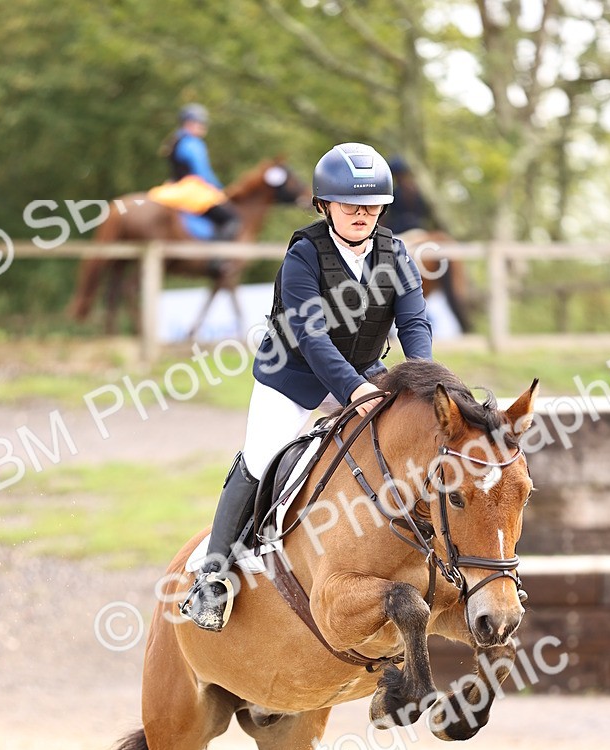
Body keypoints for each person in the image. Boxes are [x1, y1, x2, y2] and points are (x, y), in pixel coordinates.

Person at [180, 141, 433, 633]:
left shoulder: (396, 253)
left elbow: (415, 323)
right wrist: (353, 390)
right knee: (262, 455)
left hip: (364, 373)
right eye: (349, 205)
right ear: (325, 206)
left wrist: (423, 379)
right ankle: (213, 575)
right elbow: (312, 337)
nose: (361, 214)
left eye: (371, 205)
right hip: (293, 376)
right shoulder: (304, 255)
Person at [164, 103, 240, 240]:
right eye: (200, 123)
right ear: (189, 123)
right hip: (193, 189)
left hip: (173, 187)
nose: (204, 127)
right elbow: (203, 172)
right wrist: (220, 189)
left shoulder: (174, 140)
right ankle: (216, 258)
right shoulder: (193, 144)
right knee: (230, 218)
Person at [380, 156, 437, 236]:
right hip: (398, 230)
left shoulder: (421, 192)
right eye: (397, 175)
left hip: (418, 230)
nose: (399, 178)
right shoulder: (394, 193)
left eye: (401, 174)